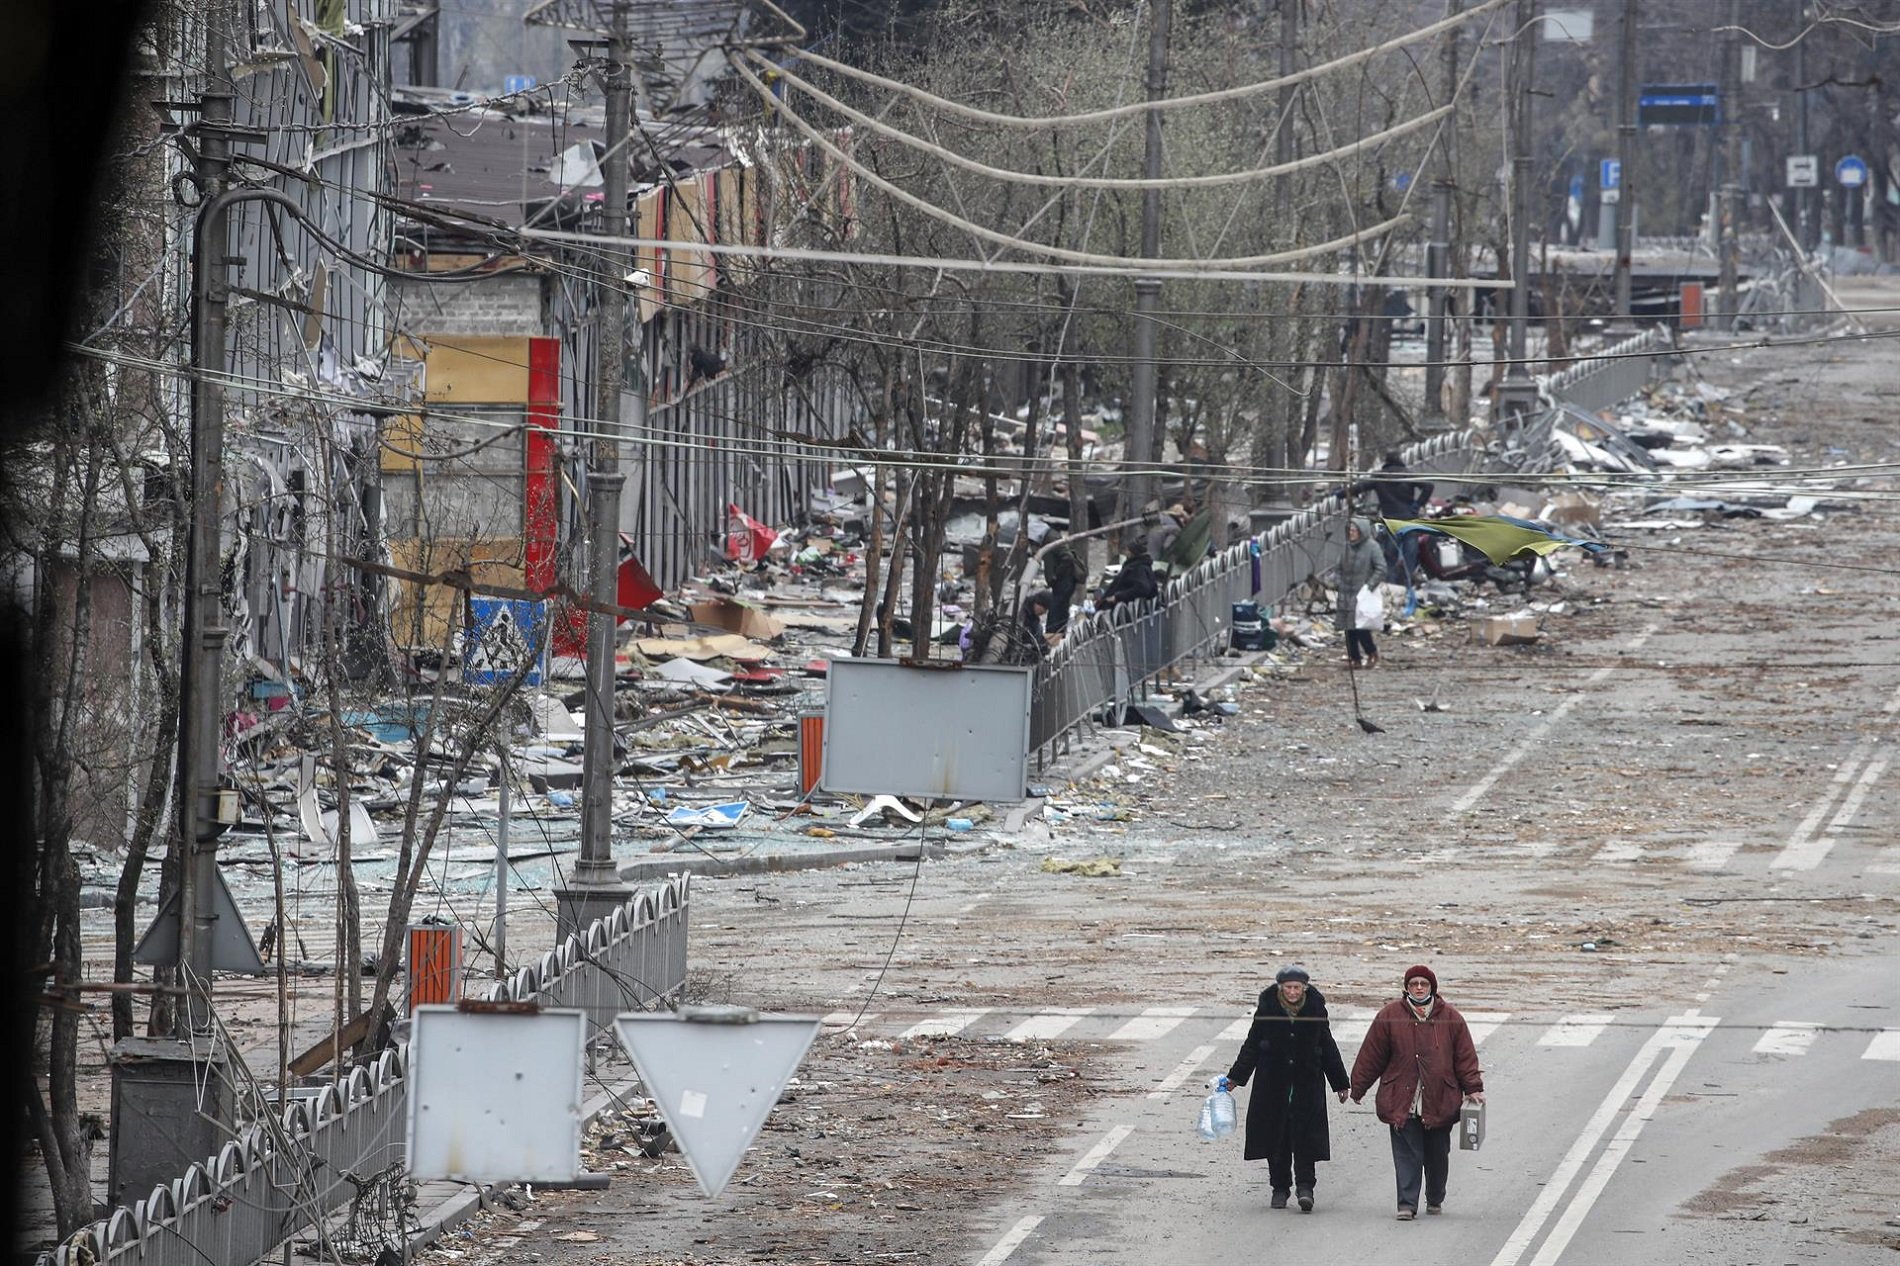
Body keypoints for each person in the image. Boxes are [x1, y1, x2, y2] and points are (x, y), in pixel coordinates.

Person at [1348, 965, 1486, 1221]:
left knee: (1437, 1156)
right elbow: (1372, 1055)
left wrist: (1473, 1088)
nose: (1419, 988)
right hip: (1402, 1099)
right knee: (1406, 1155)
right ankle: (1406, 1204)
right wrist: (1359, 1086)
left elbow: (1464, 1057)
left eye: (1423, 983)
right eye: (1414, 984)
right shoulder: (1389, 1015)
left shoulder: (1451, 1018)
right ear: (1407, 988)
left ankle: (1435, 1197)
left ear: (1432, 987)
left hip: (1440, 1099)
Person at [1221, 965, 1349, 1212]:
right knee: (1276, 1138)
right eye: (1288, 987)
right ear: (1281, 988)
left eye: (1297, 988)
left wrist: (1340, 1083)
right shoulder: (1268, 1009)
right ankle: (1279, 1188)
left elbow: (1328, 1046)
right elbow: (1252, 1045)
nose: (1292, 992)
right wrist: (1235, 1078)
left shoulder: (1315, 1010)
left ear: (1304, 988)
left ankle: (1305, 1188)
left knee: (1305, 1138)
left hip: (1307, 1085)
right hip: (1272, 1085)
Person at [1347, 453, 1433, 582]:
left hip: (1391, 522)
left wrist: (1341, 493)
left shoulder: (1379, 477)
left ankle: (1391, 585)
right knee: (1410, 554)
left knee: (1390, 556)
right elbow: (1429, 486)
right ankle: (1407, 583)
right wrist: (1417, 505)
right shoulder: (1408, 474)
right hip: (1410, 520)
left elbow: (1358, 488)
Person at [1336, 516, 1384, 668]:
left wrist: (1369, 585)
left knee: (1361, 627)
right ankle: (1354, 658)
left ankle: (1371, 652)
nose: (1351, 533)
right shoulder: (1346, 547)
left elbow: (1381, 568)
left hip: (1362, 593)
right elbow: (1338, 567)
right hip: (1346, 592)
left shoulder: (1372, 547)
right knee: (1348, 628)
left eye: (1354, 530)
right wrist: (1337, 581)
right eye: (1350, 530)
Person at [1031, 522, 1084, 636]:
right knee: (1060, 608)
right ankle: (1058, 635)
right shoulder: (1050, 537)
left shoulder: (1051, 539)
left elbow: (1067, 558)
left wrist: (1056, 575)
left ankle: (1052, 636)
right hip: (1062, 581)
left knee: (1056, 609)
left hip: (1064, 580)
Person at [1098, 537, 1158, 609]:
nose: (1126, 552)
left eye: (1127, 550)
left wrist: (1118, 597)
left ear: (1132, 552)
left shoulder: (1139, 568)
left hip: (1124, 609)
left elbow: (1142, 588)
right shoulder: (1134, 565)